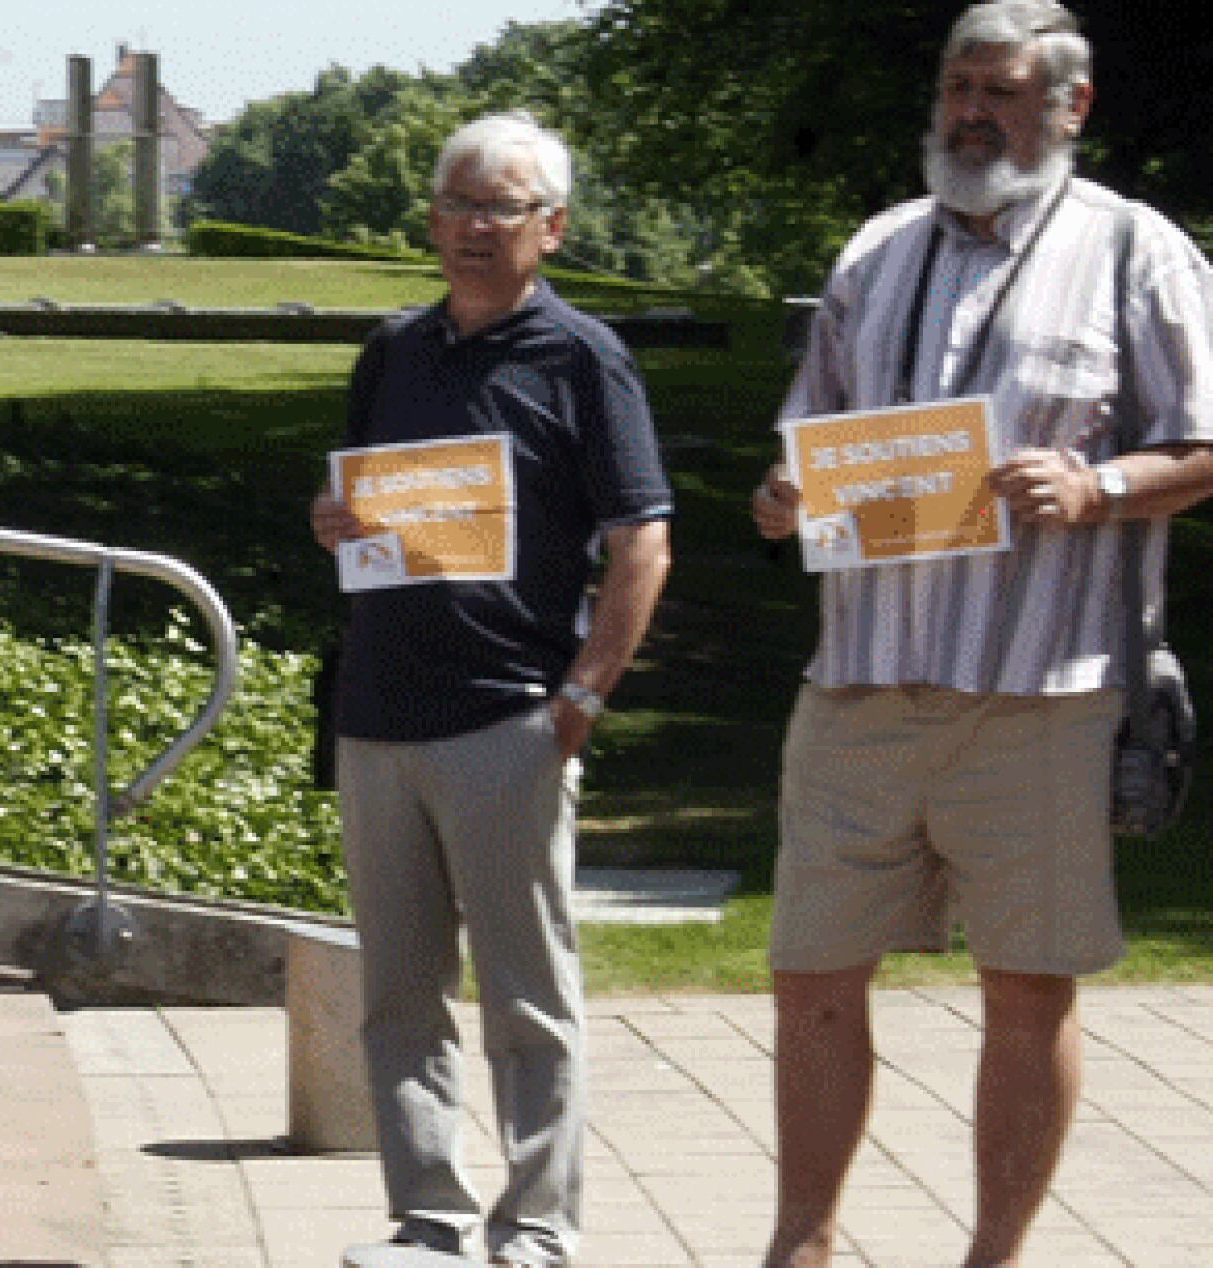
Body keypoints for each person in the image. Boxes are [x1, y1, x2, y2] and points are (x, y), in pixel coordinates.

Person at [748, 4, 1213, 1264]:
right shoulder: (876, 251)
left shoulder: (1138, 252)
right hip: (855, 682)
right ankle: (804, 1240)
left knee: (1025, 983)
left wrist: (1100, 486)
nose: (968, 113)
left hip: (1040, 689)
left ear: (1070, 106)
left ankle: (993, 1254)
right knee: (810, 978)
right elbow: (806, 444)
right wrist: (783, 498)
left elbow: (1204, 444)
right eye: (957, 87)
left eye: (999, 91)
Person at [308, 111, 674, 1267]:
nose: (471, 224)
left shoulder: (583, 358)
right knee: (397, 998)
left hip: (509, 719)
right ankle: (427, 1218)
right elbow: (365, 512)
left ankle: (539, 1226)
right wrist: (336, 523)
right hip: (378, 716)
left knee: (528, 1001)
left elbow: (642, 541)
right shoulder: (394, 349)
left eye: (499, 207)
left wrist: (584, 697)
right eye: (456, 203)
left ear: (550, 229)